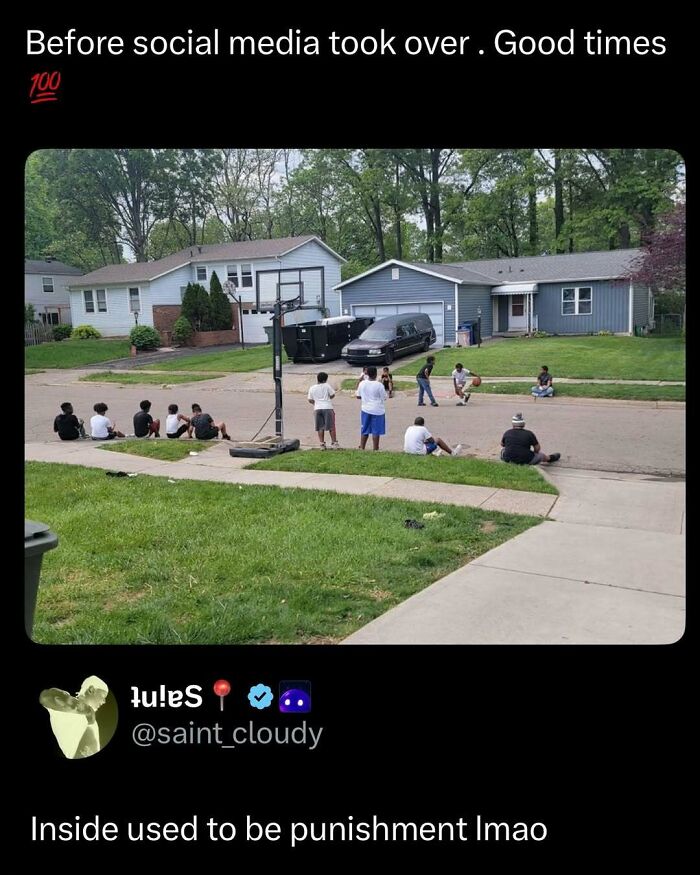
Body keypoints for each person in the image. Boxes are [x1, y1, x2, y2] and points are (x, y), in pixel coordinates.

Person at [39, 676, 109, 759]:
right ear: (91, 690)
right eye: (103, 696)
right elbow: (45, 697)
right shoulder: (61, 709)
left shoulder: (89, 719)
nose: (104, 702)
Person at [357, 366, 387, 451]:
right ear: (376, 374)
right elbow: (384, 397)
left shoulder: (362, 383)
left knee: (365, 429)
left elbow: (358, 396)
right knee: (376, 430)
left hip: (365, 409)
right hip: (378, 410)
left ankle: (362, 447)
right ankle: (375, 448)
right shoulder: (379, 385)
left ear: (367, 374)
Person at [307, 371, 340, 449]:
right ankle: (334, 443)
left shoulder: (312, 388)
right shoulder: (326, 386)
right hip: (327, 407)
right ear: (325, 380)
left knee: (320, 427)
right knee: (331, 426)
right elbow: (332, 394)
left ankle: (322, 443)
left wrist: (315, 403)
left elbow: (310, 399)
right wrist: (328, 398)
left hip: (317, 408)